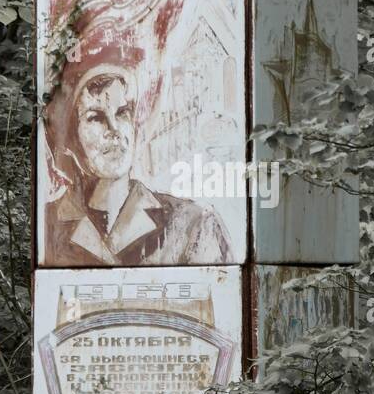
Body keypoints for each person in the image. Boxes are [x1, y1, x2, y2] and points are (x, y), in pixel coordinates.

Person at [42, 36, 234, 266]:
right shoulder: (47, 225)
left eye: (122, 113)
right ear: (68, 140)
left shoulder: (192, 225)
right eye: (95, 118)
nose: (114, 130)